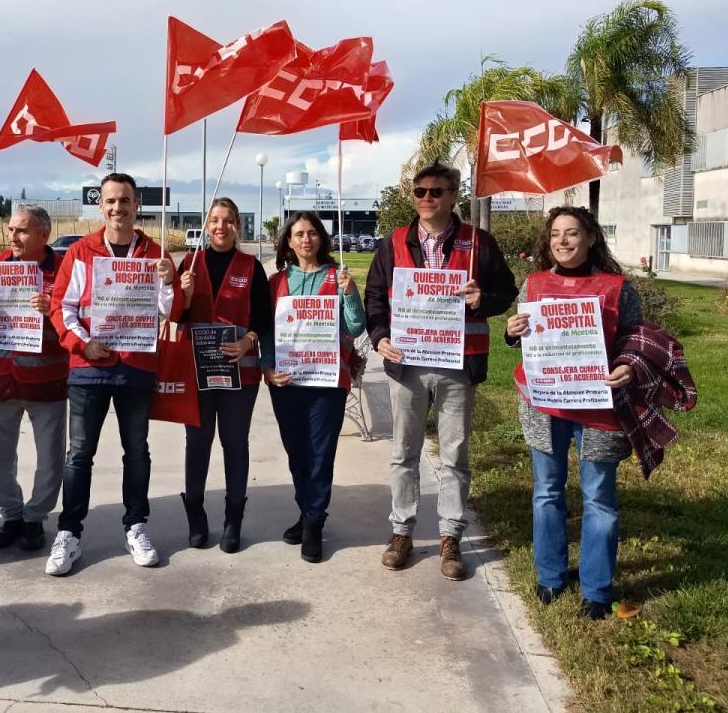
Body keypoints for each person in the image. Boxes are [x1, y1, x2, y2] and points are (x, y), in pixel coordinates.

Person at [364, 162, 516, 581]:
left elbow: (507, 292)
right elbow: (375, 296)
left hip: (457, 364)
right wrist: (379, 337)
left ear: (453, 195)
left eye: (436, 191)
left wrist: (481, 299)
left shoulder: (478, 242)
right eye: (419, 191)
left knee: (455, 455)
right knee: (403, 454)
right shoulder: (394, 242)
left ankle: (450, 535)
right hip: (407, 365)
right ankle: (401, 532)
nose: (426, 198)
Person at [505, 206, 646, 619]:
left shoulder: (617, 288)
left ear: (590, 238)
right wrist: (512, 332)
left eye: (571, 233)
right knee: (547, 491)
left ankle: (597, 589)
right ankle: (550, 576)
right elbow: (519, 337)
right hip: (544, 402)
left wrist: (627, 366)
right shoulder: (533, 284)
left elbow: (636, 340)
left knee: (599, 497)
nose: (562, 241)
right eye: (554, 235)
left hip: (598, 408)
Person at [45, 173, 184, 576]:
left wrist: (168, 282)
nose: (117, 208)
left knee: (137, 452)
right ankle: (69, 533)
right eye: (110, 201)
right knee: (79, 455)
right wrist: (82, 344)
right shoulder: (81, 252)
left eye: (124, 200)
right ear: (100, 205)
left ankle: (136, 526)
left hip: (136, 369)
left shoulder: (156, 254)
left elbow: (170, 312)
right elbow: (61, 307)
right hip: (89, 367)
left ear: (136, 204)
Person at [0, 204, 68, 552]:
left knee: (50, 459)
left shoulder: (64, 271)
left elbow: (78, 322)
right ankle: (11, 514)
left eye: (21, 230)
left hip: (46, 383)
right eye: (11, 230)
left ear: (43, 234)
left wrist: (53, 307)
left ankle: (35, 518)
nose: (13, 236)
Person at [263, 212, 365, 563]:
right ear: (288, 242)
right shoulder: (276, 282)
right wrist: (267, 368)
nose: (306, 239)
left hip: (326, 382)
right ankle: (306, 512)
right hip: (287, 381)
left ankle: (314, 524)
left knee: (320, 455)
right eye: (298, 234)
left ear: (321, 238)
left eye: (312, 233)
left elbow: (356, 326)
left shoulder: (339, 278)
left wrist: (350, 294)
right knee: (297, 453)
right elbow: (265, 330)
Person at [176, 197, 271, 552]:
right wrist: (182, 296)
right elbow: (176, 319)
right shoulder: (190, 262)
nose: (220, 227)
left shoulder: (251, 267)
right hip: (198, 372)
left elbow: (263, 316)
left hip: (239, 375)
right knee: (197, 444)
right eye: (214, 220)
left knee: (235, 444)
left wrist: (249, 340)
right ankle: (196, 515)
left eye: (228, 220)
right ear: (206, 224)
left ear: (237, 227)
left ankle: (233, 519)